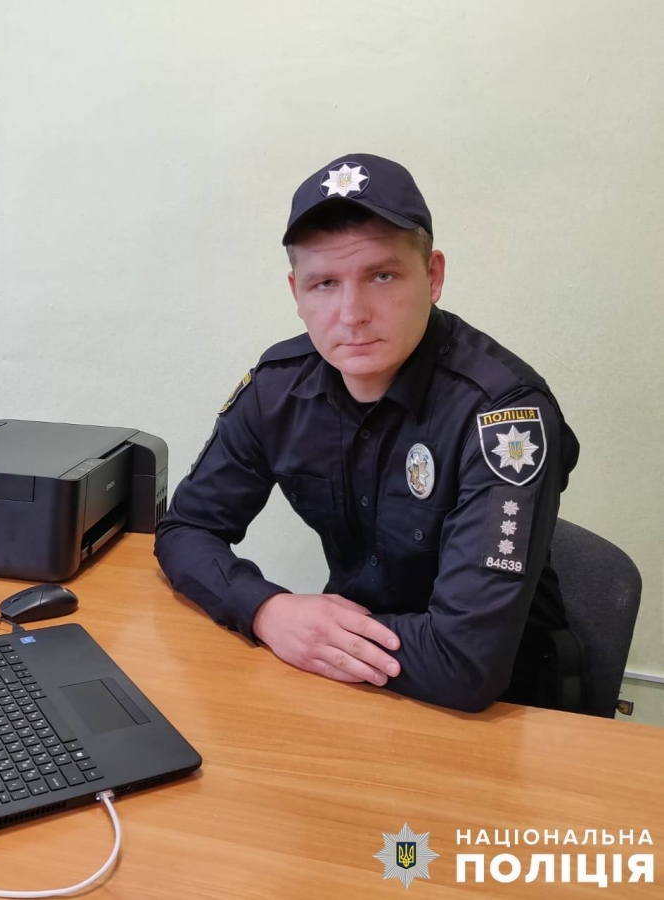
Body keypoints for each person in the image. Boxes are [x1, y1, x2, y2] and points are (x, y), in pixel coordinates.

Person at [154, 153, 580, 713]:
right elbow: (186, 529)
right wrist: (266, 610)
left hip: (504, 710)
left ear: (433, 277)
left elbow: (465, 662)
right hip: (355, 682)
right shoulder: (278, 390)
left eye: (382, 276)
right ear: (296, 292)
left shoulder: (503, 416)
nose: (352, 314)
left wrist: (317, 639)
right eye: (325, 283)